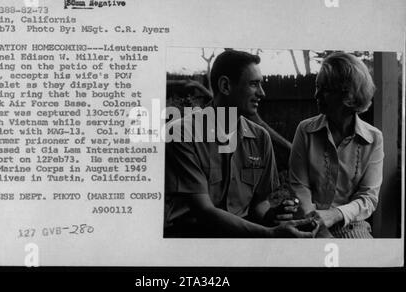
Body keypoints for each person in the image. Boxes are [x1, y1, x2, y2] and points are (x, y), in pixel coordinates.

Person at [164, 50, 317, 238]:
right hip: (191, 240)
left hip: (245, 238)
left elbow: (259, 205)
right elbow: (203, 211)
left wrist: (274, 216)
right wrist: (270, 234)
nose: (262, 93)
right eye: (254, 84)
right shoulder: (181, 133)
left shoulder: (260, 138)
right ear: (225, 86)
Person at [289, 52, 384, 238]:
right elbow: (299, 188)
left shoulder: (373, 139)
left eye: (325, 89)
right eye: (317, 87)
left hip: (352, 226)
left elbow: (368, 198)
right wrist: (320, 229)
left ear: (347, 94)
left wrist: (335, 215)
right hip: (307, 222)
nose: (316, 94)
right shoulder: (305, 130)